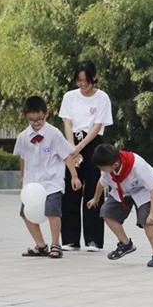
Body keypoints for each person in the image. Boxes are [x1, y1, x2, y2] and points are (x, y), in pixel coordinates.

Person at [14, 96, 82, 259]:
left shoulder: (54, 133)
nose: (36, 123)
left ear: (46, 114)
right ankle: (40, 245)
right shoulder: (23, 136)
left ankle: (56, 244)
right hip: (32, 183)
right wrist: (22, 177)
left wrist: (74, 176)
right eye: (32, 120)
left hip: (52, 181)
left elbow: (67, 156)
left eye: (39, 119)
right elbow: (22, 157)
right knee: (25, 213)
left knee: (52, 212)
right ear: (26, 116)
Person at [59, 60, 113, 252]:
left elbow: (98, 126)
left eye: (85, 81)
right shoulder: (69, 97)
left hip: (92, 143)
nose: (82, 84)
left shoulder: (102, 98)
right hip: (71, 142)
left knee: (93, 189)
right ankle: (70, 239)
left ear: (94, 78)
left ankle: (94, 239)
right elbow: (67, 122)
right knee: (70, 190)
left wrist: (80, 147)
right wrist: (71, 147)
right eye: (79, 80)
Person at [86, 144, 153, 267]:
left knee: (147, 221)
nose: (101, 170)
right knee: (107, 212)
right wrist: (95, 199)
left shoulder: (137, 165)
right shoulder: (108, 168)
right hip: (122, 190)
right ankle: (125, 244)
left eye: (102, 168)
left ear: (115, 165)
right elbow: (101, 183)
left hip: (143, 190)